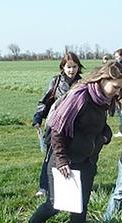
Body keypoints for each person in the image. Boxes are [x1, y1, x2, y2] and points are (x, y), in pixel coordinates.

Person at [27, 62, 122, 223]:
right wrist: (62, 160)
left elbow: (97, 126)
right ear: (103, 79)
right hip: (65, 159)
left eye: (121, 88)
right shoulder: (80, 97)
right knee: (55, 204)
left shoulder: (103, 100)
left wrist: (104, 136)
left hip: (87, 160)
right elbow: (57, 130)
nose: (117, 92)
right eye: (115, 87)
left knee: (80, 206)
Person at [31, 52, 83, 197]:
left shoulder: (83, 83)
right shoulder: (56, 82)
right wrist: (38, 116)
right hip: (56, 126)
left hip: (75, 127)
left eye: (74, 67)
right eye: (68, 67)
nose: (71, 70)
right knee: (50, 156)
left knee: (73, 156)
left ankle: (72, 184)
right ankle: (44, 187)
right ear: (63, 67)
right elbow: (45, 100)